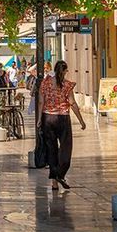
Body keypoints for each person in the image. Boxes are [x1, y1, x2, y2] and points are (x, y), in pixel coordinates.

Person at [37, 60, 87, 191]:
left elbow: (41, 102)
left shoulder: (45, 84)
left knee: (52, 149)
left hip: (48, 118)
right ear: (64, 71)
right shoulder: (67, 85)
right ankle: (60, 174)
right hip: (63, 119)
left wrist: (39, 119)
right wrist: (81, 121)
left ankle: (54, 183)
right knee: (66, 147)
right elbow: (72, 103)